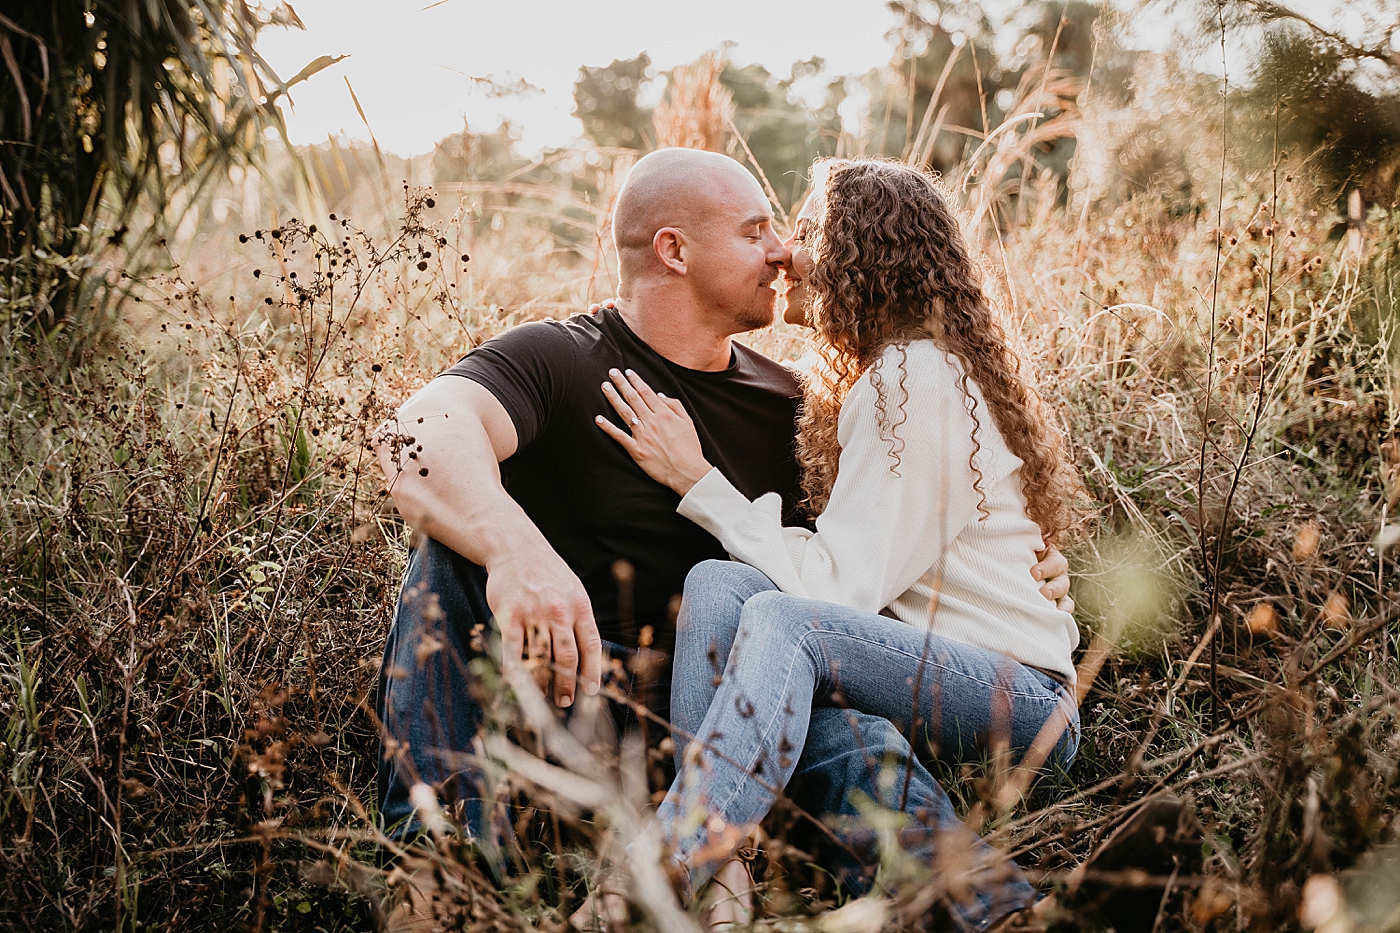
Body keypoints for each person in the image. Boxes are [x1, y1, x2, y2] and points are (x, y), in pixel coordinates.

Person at [372, 148, 1072, 927]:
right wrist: (515, 550)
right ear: (674, 249)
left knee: (843, 726)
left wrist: (1033, 566)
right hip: (567, 691)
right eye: (755, 230)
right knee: (449, 552)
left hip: (731, 716)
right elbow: (414, 435)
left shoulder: (801, 405)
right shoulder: (565, 358)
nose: (781, 252)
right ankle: (440, 869)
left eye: (789, 230)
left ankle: (992, 912)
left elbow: (860, 567)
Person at [599, 157, 1083, 930]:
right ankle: (987, 910)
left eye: (805, 231)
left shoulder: (914, 377)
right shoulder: (878, 376)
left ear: (862, 254)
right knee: (749, 623)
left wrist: (699, 481)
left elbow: (836, 594)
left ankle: (664, 867)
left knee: (785, 622)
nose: (785, 253)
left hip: (1020, 697)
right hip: (923, 674)